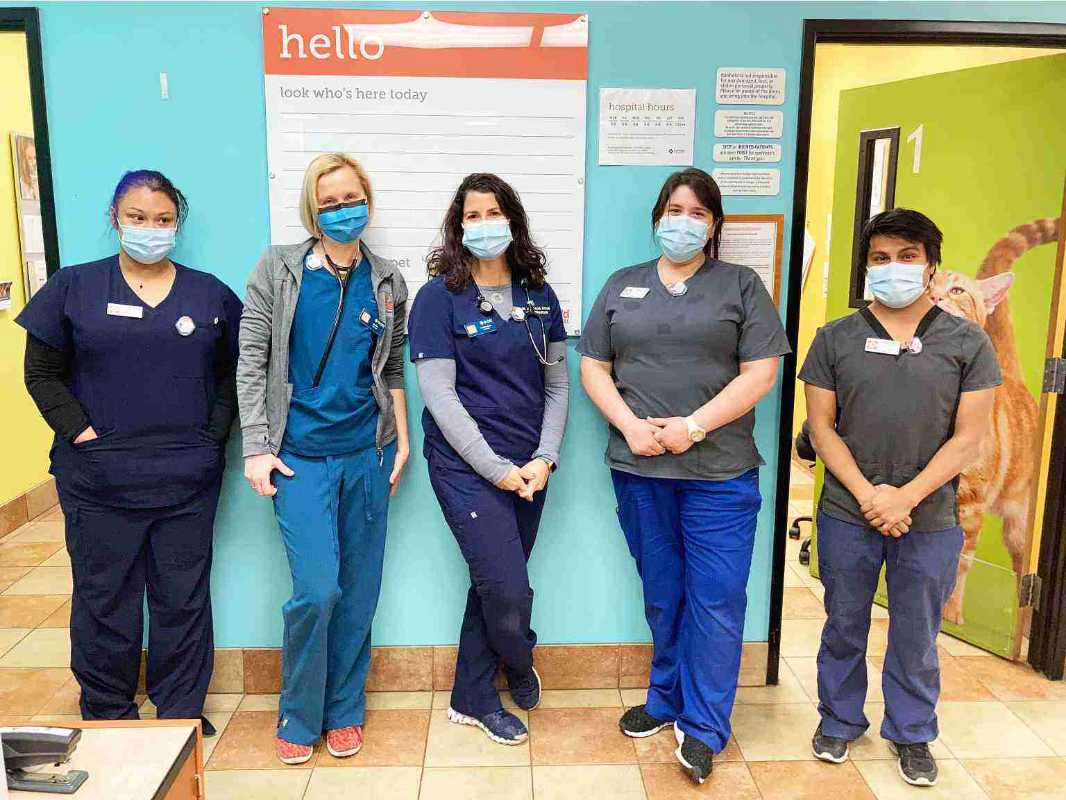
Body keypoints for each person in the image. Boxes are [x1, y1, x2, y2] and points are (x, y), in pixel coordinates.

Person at [579, 168, 790, 784]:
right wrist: (631, 426)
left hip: (718, 475)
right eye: (674, 209)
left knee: (716, 601)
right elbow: (594, 365)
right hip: (640, 468)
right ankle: (664, 697)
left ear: (714, 224)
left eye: (698, 212)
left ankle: (703, 727)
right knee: (663, 592)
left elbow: (759, 374)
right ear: (657, 217)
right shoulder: (624, 285)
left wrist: (692, 427)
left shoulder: (741, 286)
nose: (684, 221)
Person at [16, 170, 242, 734]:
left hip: (186, 478)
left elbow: (236, 374)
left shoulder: (208, 292)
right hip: (97, 478)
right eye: (137, 218)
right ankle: (108, 713)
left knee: (182, 599)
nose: (150, 229)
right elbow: (41, 374)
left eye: (163, 220)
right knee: (104, 598)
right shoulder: (74, 287)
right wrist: (83, 436)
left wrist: (210, 436)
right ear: (115, 219)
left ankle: (180, 712)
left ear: (177, 225)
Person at [799, 208, 999, 788]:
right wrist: (869, 497)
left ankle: (912, 732)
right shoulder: (835, 339)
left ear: (931, 266)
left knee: (916, 631)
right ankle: (838, 719)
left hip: (929, 514)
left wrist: (905, 497)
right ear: (867, 267)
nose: (894, 269)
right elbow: (822, 428)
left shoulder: (967, 344)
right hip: (847, 512)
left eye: (907, 257)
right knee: (843, 622)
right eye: (881, 258)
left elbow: (968, 438)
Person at [237, 153, 410, 765]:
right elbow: (251, 360)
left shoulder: (387, 279)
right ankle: (298, 712)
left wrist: (402, 437)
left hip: (366, 453)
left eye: (351, 198)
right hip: (300, 459)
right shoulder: (278, 268)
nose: (343, 210)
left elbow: (390, 367)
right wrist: (257, 447)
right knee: (317, 590)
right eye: (330, 202)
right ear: (313, 209)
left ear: (369, 199)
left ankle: (344, 710)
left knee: (360, 590)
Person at [407, 173, 569, 745]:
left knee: (494, 583)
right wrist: (497, 469)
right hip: (465, 467)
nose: (483, 225)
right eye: (471, 216)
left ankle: (470, 695)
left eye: (493, 212)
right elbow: (440, 397)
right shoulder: (437, 299)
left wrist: (544, 459)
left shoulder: (539, 295)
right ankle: (518, 662)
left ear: (513, 220)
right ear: (457, 227)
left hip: (531, 468)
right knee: (507, 588)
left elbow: (557, 387)